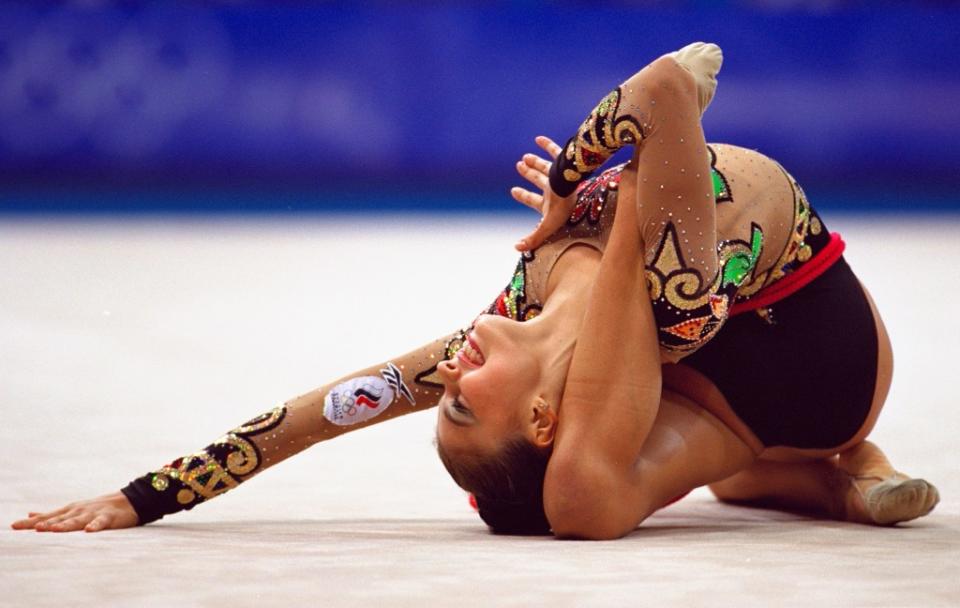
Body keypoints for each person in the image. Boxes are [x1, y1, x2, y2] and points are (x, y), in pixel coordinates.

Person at [11, 44, 938, 539]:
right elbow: (665, 90)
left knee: (667, 484)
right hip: (824, 374)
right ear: (541, 418)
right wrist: (583, 184)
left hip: (705, 365)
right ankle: (845, 458)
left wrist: (143, 496)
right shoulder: (674, 290)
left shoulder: (507, 320)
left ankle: (823, 480)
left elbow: (316, 417)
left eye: (439, 396)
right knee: (591, 488)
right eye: (462, 404)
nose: (448, 373)